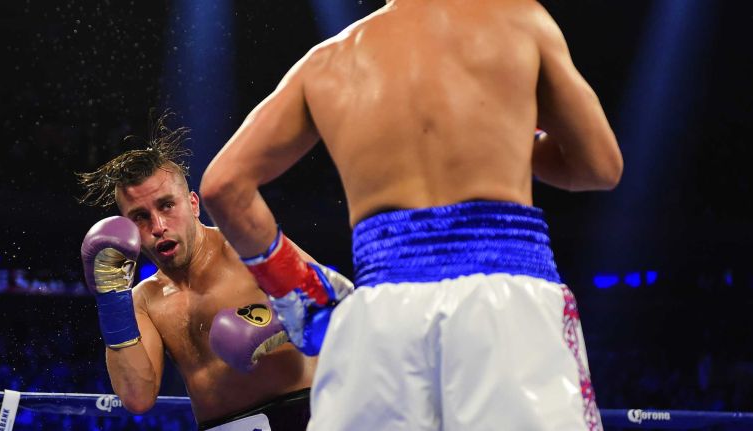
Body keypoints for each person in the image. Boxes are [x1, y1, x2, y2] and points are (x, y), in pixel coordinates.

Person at [200, 0, 623, 429]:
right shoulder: (518, 19)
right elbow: (600, 167)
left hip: (381, 321)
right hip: (506, 305)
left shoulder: (327, 61)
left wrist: (298, 288)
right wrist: (508, 132)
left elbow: (222, 186)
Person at [76, 116, 319, 431]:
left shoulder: (246, 248)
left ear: (192, 203)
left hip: (305, 416)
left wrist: (278, 325)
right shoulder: (142, 300)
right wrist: (110, 300)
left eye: (166, 206)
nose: (158, 226)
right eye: (140, 216)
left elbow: (342, 303)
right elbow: (137, 397)